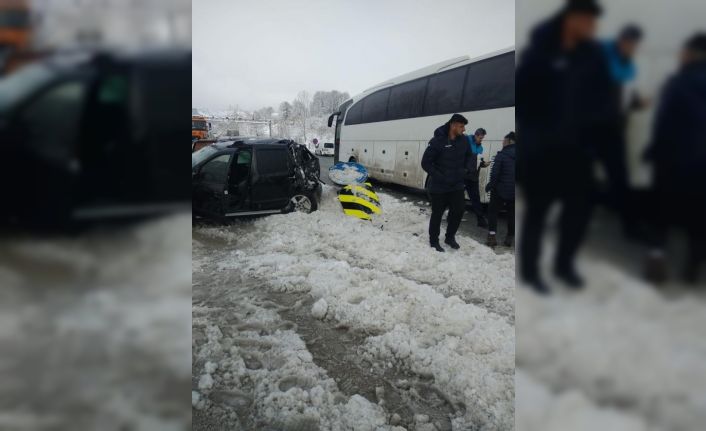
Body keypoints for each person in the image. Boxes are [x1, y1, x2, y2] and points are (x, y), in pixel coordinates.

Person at [516, 0, 617, 294]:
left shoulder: (594, 56)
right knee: (537, 215)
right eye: (587, 20)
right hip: (543, 154)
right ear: (570, 19)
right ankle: (531, 272)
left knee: (578, 214)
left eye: (593, 23)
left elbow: (606, 98)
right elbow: (524, 104)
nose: (592, 28)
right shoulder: (539, 54)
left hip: (579, 153)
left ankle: (564, 265)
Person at [643, 33, 706, 283]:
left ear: (690, 54)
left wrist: (653, 150)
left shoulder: (679, 82)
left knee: (661, 214)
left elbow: (665, 122)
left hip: (674, 160)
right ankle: (693, 266)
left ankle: (657, 261)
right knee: (698, 217)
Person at [597, 24, 647, 238]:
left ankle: (630, 227)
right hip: (594, 131)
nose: (633, 49)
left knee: (620, 176)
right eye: (632, 44)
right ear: (623, 41)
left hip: (612, 132)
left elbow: (624, 100)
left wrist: (637, 103)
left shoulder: (624, 65)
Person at [421, 114, 476, 252]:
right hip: (439, 186)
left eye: (464, 127)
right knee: (437, 214)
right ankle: (434, 241)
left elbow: (470, 156)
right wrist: (439, 176)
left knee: (458, 211)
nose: (464, 130)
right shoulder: (437, 141)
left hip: (457, 185)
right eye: (461, 126)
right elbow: (425, 163)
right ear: (453, 125)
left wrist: (466, 169)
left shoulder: (464, 140)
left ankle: (450, 237)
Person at [486, 132, 516, 248]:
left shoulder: (502, 155)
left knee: (493, 211)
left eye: (504, 140)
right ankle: (510, 237)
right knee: (512, 214)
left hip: (500, 190)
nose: (502, 142)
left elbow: (495, 175)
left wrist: (490, 186)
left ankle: (492, 237)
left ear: (509, 141)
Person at [464, 128, 489, 227]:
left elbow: (477, 162)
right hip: (463, 176)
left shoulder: (480, 147)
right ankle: (450, 217)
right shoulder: (466, 142)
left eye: (482, 138)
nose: (481, 140)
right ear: (475, 135)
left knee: (476, 199)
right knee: (455, 197)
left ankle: (480, 220)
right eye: (480, 138)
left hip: (473, 177)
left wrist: (483, 164)